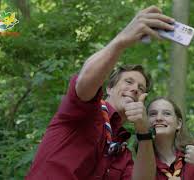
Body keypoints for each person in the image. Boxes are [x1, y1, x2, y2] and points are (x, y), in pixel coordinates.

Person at [26, 5, 175, 180]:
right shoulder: (85, 110)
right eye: (128, 82)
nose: (135, 88)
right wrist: (122, 41)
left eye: (141, 88)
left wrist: (143, 132)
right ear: (109, 88)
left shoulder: (122, 151)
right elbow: (85, 80)